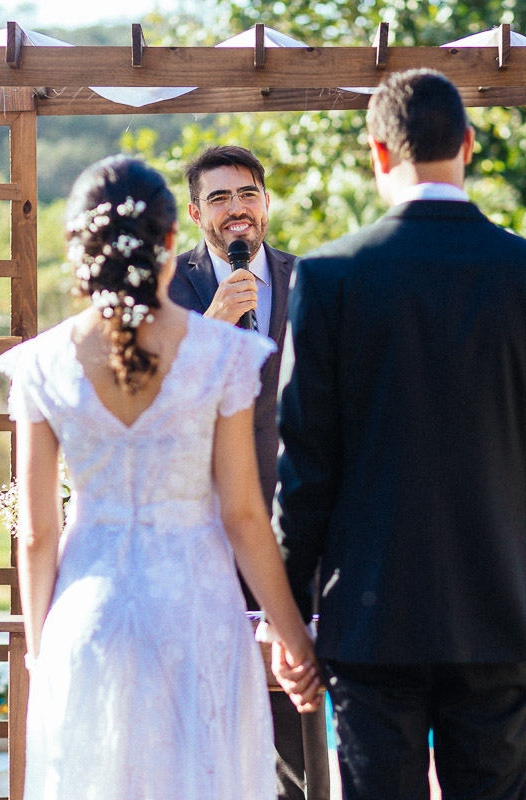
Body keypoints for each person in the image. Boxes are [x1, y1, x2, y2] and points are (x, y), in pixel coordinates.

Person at [272, 69, 526, 800]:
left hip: (370, 623)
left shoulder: (328, 278)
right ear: (469, 146)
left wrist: (288, 618)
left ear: (378, 153)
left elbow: (306, 468)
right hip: (501, 618)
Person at [0, 155, 319, 800]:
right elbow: (243, 517)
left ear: (78, 247)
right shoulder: (223, 352)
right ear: (176, 237)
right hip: (198, 607)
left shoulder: (40, 364)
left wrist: (41, 650)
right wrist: (295, 637)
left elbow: (36, 535)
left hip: (85, 616)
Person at [168, 145, 310, 800]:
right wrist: (210, 323)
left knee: (294, 721)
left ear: (266, 203)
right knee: (201, 715)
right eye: (219, 198)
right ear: (197, 213)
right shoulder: (169, 287)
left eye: (246, 194)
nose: (236, 209)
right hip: (200, 526)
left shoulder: (311, 279)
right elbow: (147, 398)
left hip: (291, 525)